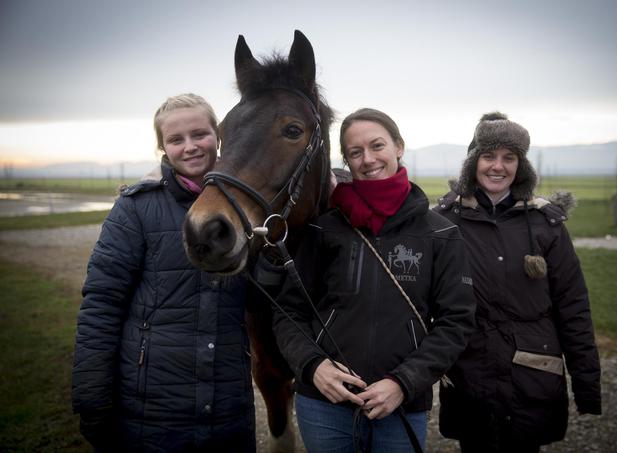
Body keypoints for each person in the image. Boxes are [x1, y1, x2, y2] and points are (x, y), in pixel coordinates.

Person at [272, 108, 476, 452]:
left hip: (399, 406)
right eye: (355, 152)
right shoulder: (322, 229)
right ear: (347, 161)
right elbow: (288, 311)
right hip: (324, 404)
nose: (368, 159)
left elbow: (456, 322)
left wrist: (403, 382)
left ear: (399, 146)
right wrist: (313, 366)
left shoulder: (441, 234)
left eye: (377, 145)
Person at [71, 93, 256, 452]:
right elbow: (101, 305)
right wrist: (92, 398)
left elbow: (266, 295)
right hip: (150, 408)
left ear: (219, 137)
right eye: (176, 139)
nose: (190, 147)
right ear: (162, 147)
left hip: (228, 406)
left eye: (199, 134)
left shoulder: (248, 206)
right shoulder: (135, 208)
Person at [435, 112, 602, 452]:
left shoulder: (547, 225)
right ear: (472, 162)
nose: (498, 166)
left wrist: (586, 384)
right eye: (488, 156)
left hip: (532, 371)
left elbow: (573, 307)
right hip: (470, 370)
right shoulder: (444, 222)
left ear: (520, 165)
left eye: (508, 158)